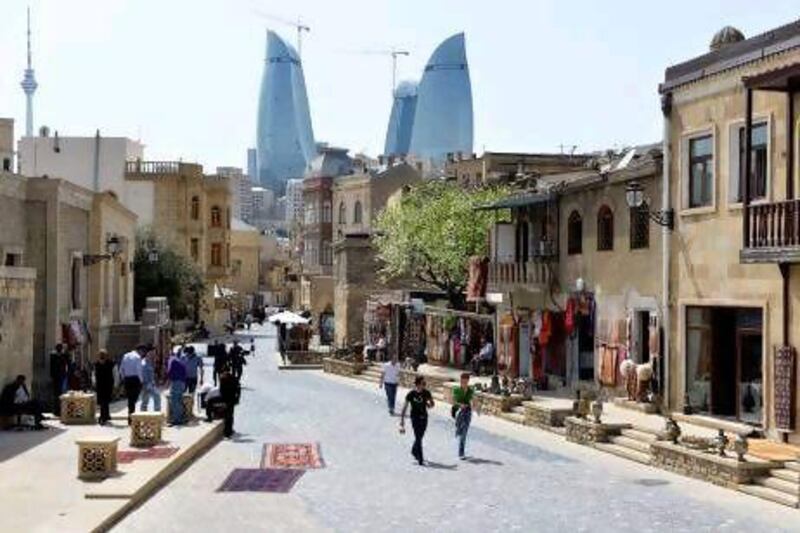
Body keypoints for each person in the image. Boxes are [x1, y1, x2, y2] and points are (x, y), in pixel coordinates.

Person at [399, 376, 434, 466]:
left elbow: (432, 403)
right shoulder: (411, 394)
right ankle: (420, 458)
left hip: (424, 417)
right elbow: (404, 407)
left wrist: (429, 405)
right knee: (418, 436)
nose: (424, 385)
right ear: (418, 384)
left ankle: (414, 450)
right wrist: (402, 421)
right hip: (414, 417)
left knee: (420, 436)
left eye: (425, 383)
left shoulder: (426, 393)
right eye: (423, 383)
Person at [205, 367, 241, 438]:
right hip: (230, 399)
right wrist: (237, 399)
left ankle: (228, 431)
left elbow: (222, 390)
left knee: (229, 415)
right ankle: (228, 431)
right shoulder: (233, 378)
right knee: (229, 414)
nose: (222, 374)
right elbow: (238, 390)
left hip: (227, 398)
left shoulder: (225, 379)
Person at [453, 372, 480, 459]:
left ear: (468, 381)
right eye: (462, 381)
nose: (463, 383)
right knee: (459, 427)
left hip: (467, 412)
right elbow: (453, 402)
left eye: (465, 381)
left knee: (464, 433)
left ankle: (461, 453)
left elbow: (474, 400)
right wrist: (460, 405)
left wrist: (476, 408)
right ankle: (458, 428)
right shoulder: (456, 389)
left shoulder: (471, 390)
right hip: (458, 410)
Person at [120, 345, 145, 424]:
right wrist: (141, 381)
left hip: (127, 379)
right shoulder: (137, 357)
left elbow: (121, 369)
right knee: (133, 400)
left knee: (130, 399)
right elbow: (139, 370)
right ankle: (132, 417)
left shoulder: (125, 356)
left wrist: (124, 378)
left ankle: (130, 417)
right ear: (140, 350)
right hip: (135, 379)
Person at [94, 350, 115, 425]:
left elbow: (94, 375)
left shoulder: (108, 363)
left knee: (104, 401)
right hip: (104, 385)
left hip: (104, 385)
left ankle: (104, 416)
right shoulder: (109, 363)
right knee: (104, 401)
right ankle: (104, 416)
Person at [166, 351, 187, 425]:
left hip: (176, 383)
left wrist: (167, 384)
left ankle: (176, 420)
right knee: (179, 400)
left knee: (174, 401)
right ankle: (181, 418)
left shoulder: (172, 361)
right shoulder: (180, 362)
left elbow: (169, 372)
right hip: (182, 383)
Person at [49, 343, 68, 414]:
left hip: (62, 376)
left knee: (61, 393)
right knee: (56, 394)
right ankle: (56, 410)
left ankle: (61, 409)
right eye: (58, 347)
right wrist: (52, 375)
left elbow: (67, 364)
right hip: (56, 377)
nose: (60, 349)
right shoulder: (53, 355)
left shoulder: (64, 355)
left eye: (61, 347)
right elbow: (51, 366)